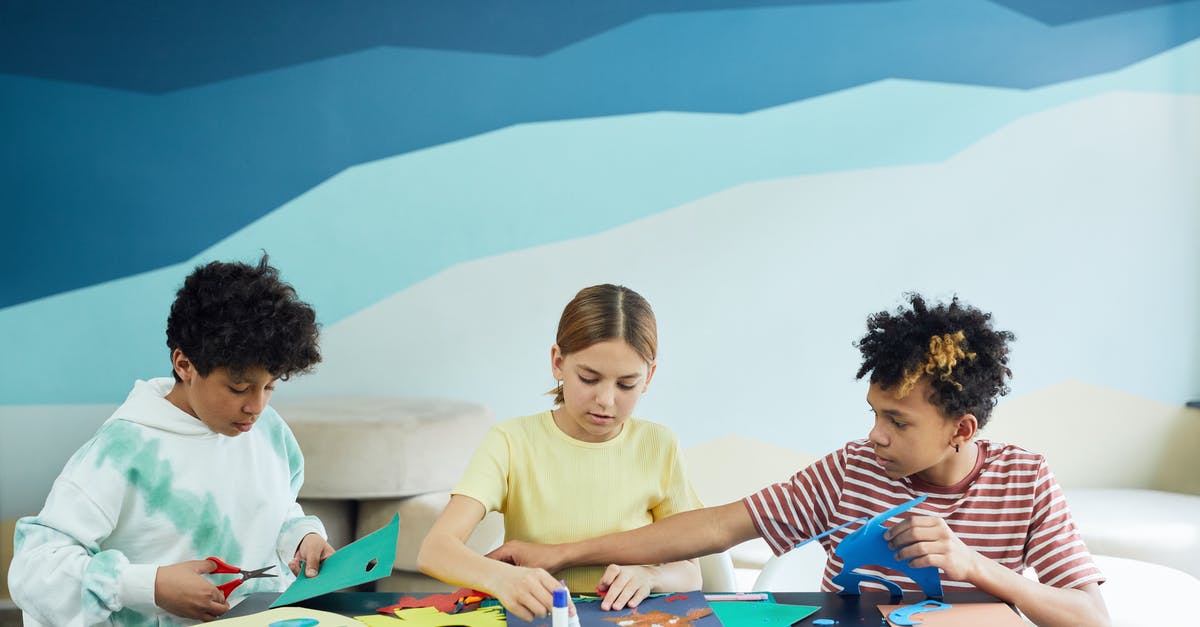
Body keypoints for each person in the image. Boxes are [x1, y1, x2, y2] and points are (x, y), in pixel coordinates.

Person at [487, 294, 1111, 627]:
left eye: (897, 421)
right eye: (873, 412)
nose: (875, 436)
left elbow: (1091, 619)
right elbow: (714, 526)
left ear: (961, 429)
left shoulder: (1025, 479)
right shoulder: (852, 470)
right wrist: (562, 554)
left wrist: (971, 563)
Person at [8, 255, 336, 626]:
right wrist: (152, 586)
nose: (256, 407)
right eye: (239, 387)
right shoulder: (123, 451)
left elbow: (271, 508)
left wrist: (299, 537)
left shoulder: (269, 432)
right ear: (184, 365)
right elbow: (34, 570)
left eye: (270, 386)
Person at [417, 284, 704, 620]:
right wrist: (502, 579)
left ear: (648, 377)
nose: (606, 400)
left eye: (626, 384)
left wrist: (650, 576)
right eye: (589, 378)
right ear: (558, 362)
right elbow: (435, 550)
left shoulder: (660, 445)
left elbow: (690, 570)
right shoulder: (511, 440)